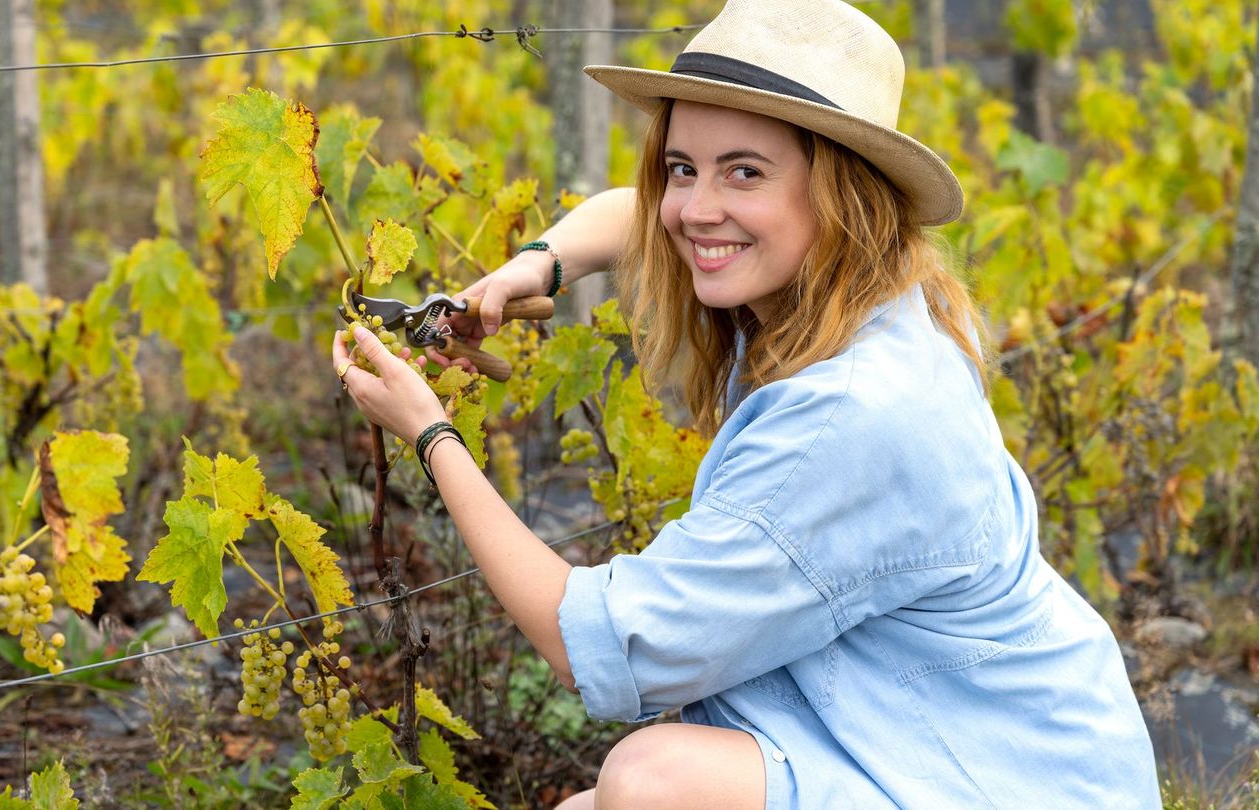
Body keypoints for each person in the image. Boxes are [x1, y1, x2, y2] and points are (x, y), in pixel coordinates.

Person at [332, 0, 1161, 806]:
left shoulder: (854, 415)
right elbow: (638, 219)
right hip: (924, 730)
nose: (696, 207)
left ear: (845, 193)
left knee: (649, 784)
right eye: (683, 168)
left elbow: (606, 648)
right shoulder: (870, 297)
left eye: (746, 172)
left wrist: (431, 433)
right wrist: (537, 266)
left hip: (1008, 777)